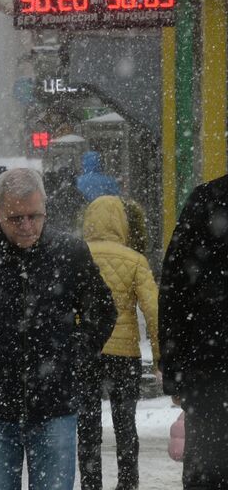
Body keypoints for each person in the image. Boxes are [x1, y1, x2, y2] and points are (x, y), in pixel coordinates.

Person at [0, 168, 116, 490]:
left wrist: (72, 358)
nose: (27, 226)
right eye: (16, 218)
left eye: (35, 216)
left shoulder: (69, 254)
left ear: (45, 208)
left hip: (54, 405)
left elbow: (101, 311)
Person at [77, 195, 160, 490]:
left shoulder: (78, 254)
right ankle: (127, 480)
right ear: (122, 223)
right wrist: (162, 355)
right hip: (125, 354)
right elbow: (153, 311)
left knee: (88, 424)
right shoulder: (135, 260)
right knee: (126, 423)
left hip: (87, 352)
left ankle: (91, 482)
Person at [159, 174, 228, 489]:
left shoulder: (208, 199)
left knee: (209, 473)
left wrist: (175, 370)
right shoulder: (207, 201)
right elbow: (175, 289)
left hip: (210, 372)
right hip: (211, 374)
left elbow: (174, 289)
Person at [47, 166, 87, 235]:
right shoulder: (78, 194)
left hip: (58, 229)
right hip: (73, 229)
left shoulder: (57, 195)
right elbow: (83, 210)